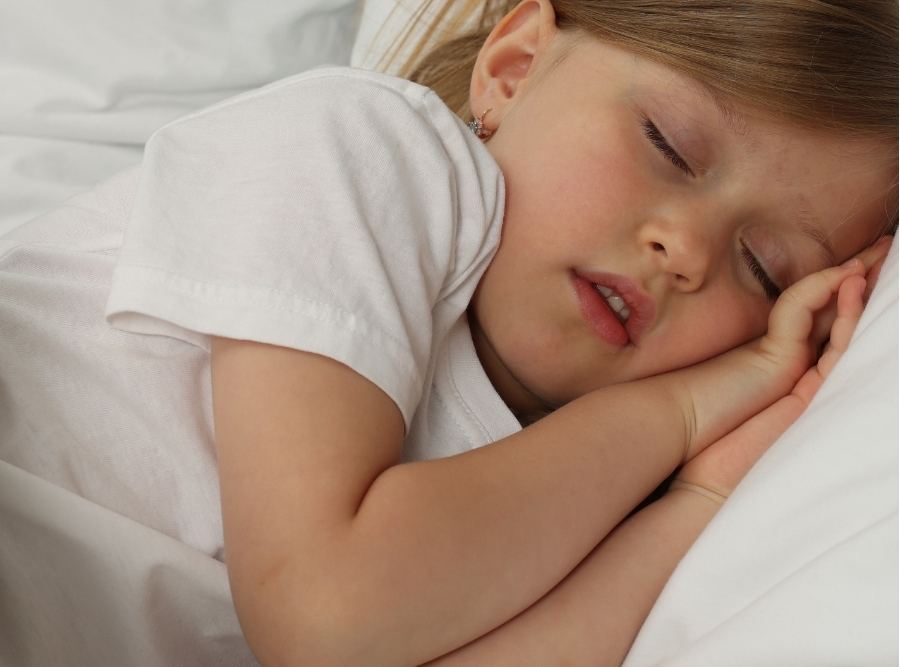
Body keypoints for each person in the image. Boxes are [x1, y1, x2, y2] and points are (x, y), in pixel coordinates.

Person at [0, 0, 895, 665]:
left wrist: (701, 500)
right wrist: (683, 412)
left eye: (764, 266)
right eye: (666, 142)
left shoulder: (590, 488)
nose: (685, 249)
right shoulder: (367, 148)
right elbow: (326, 611)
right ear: (512, 69)